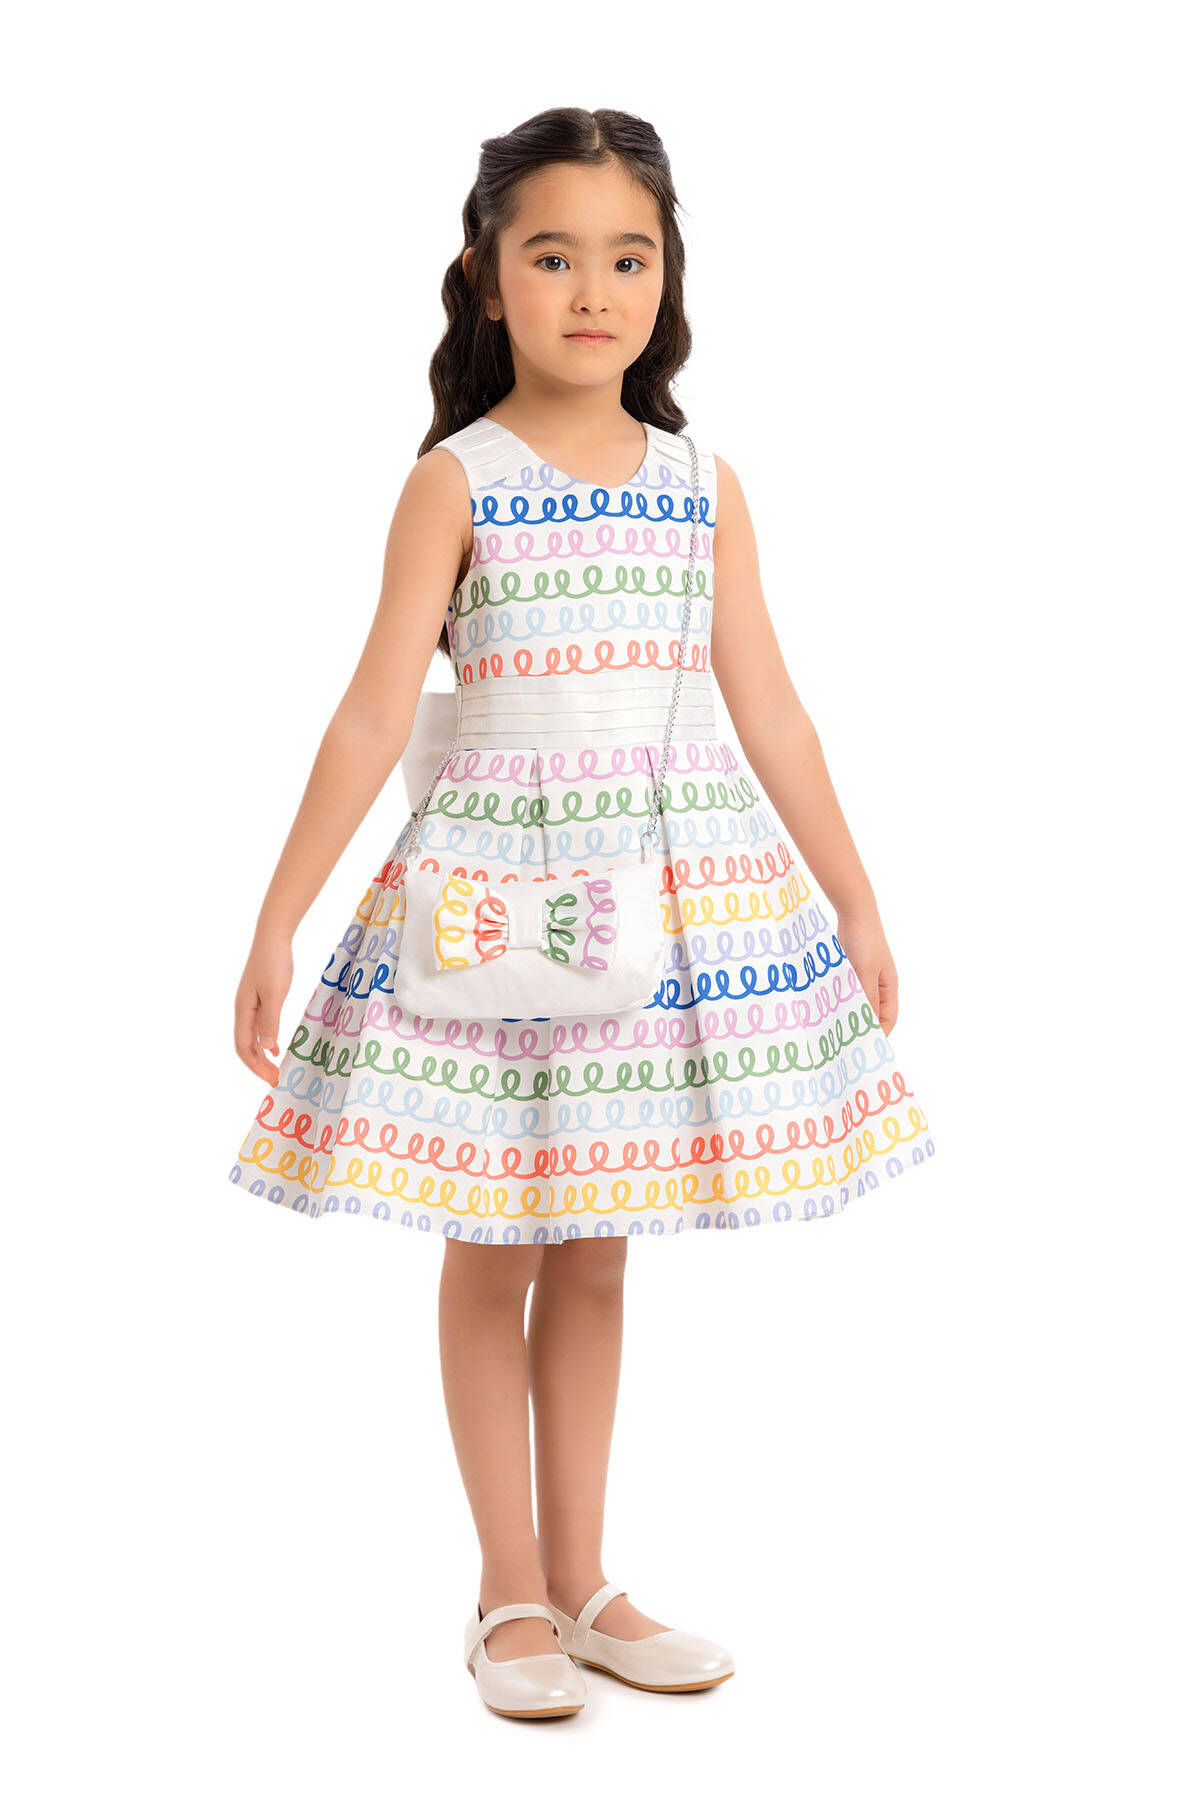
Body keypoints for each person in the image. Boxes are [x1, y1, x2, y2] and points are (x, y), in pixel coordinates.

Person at [229, 106, 935, 1721]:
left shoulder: (704, 485)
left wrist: (856, 895)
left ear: (668, 281)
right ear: (489, 280)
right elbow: (370, 713)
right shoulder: (455, 483)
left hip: (664, 902)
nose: (595, 289)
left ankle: (586, 1578)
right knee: (497, 1240)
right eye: (553, 256)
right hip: (494, 900)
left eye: (630, 257)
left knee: (598, 1247)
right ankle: (507, 1591)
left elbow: (770, 704)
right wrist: (277, 918)